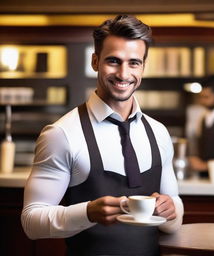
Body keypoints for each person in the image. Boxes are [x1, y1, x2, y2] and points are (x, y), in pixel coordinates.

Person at [21, 15, 184, 256]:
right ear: (95, 61)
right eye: (113, 61)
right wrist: (87, 212)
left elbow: (175, 213)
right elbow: (31, 221)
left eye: (134, 63)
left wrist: (170, 211)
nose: (123, 73)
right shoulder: (61, 133)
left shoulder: (159, 133)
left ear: (143, 67)